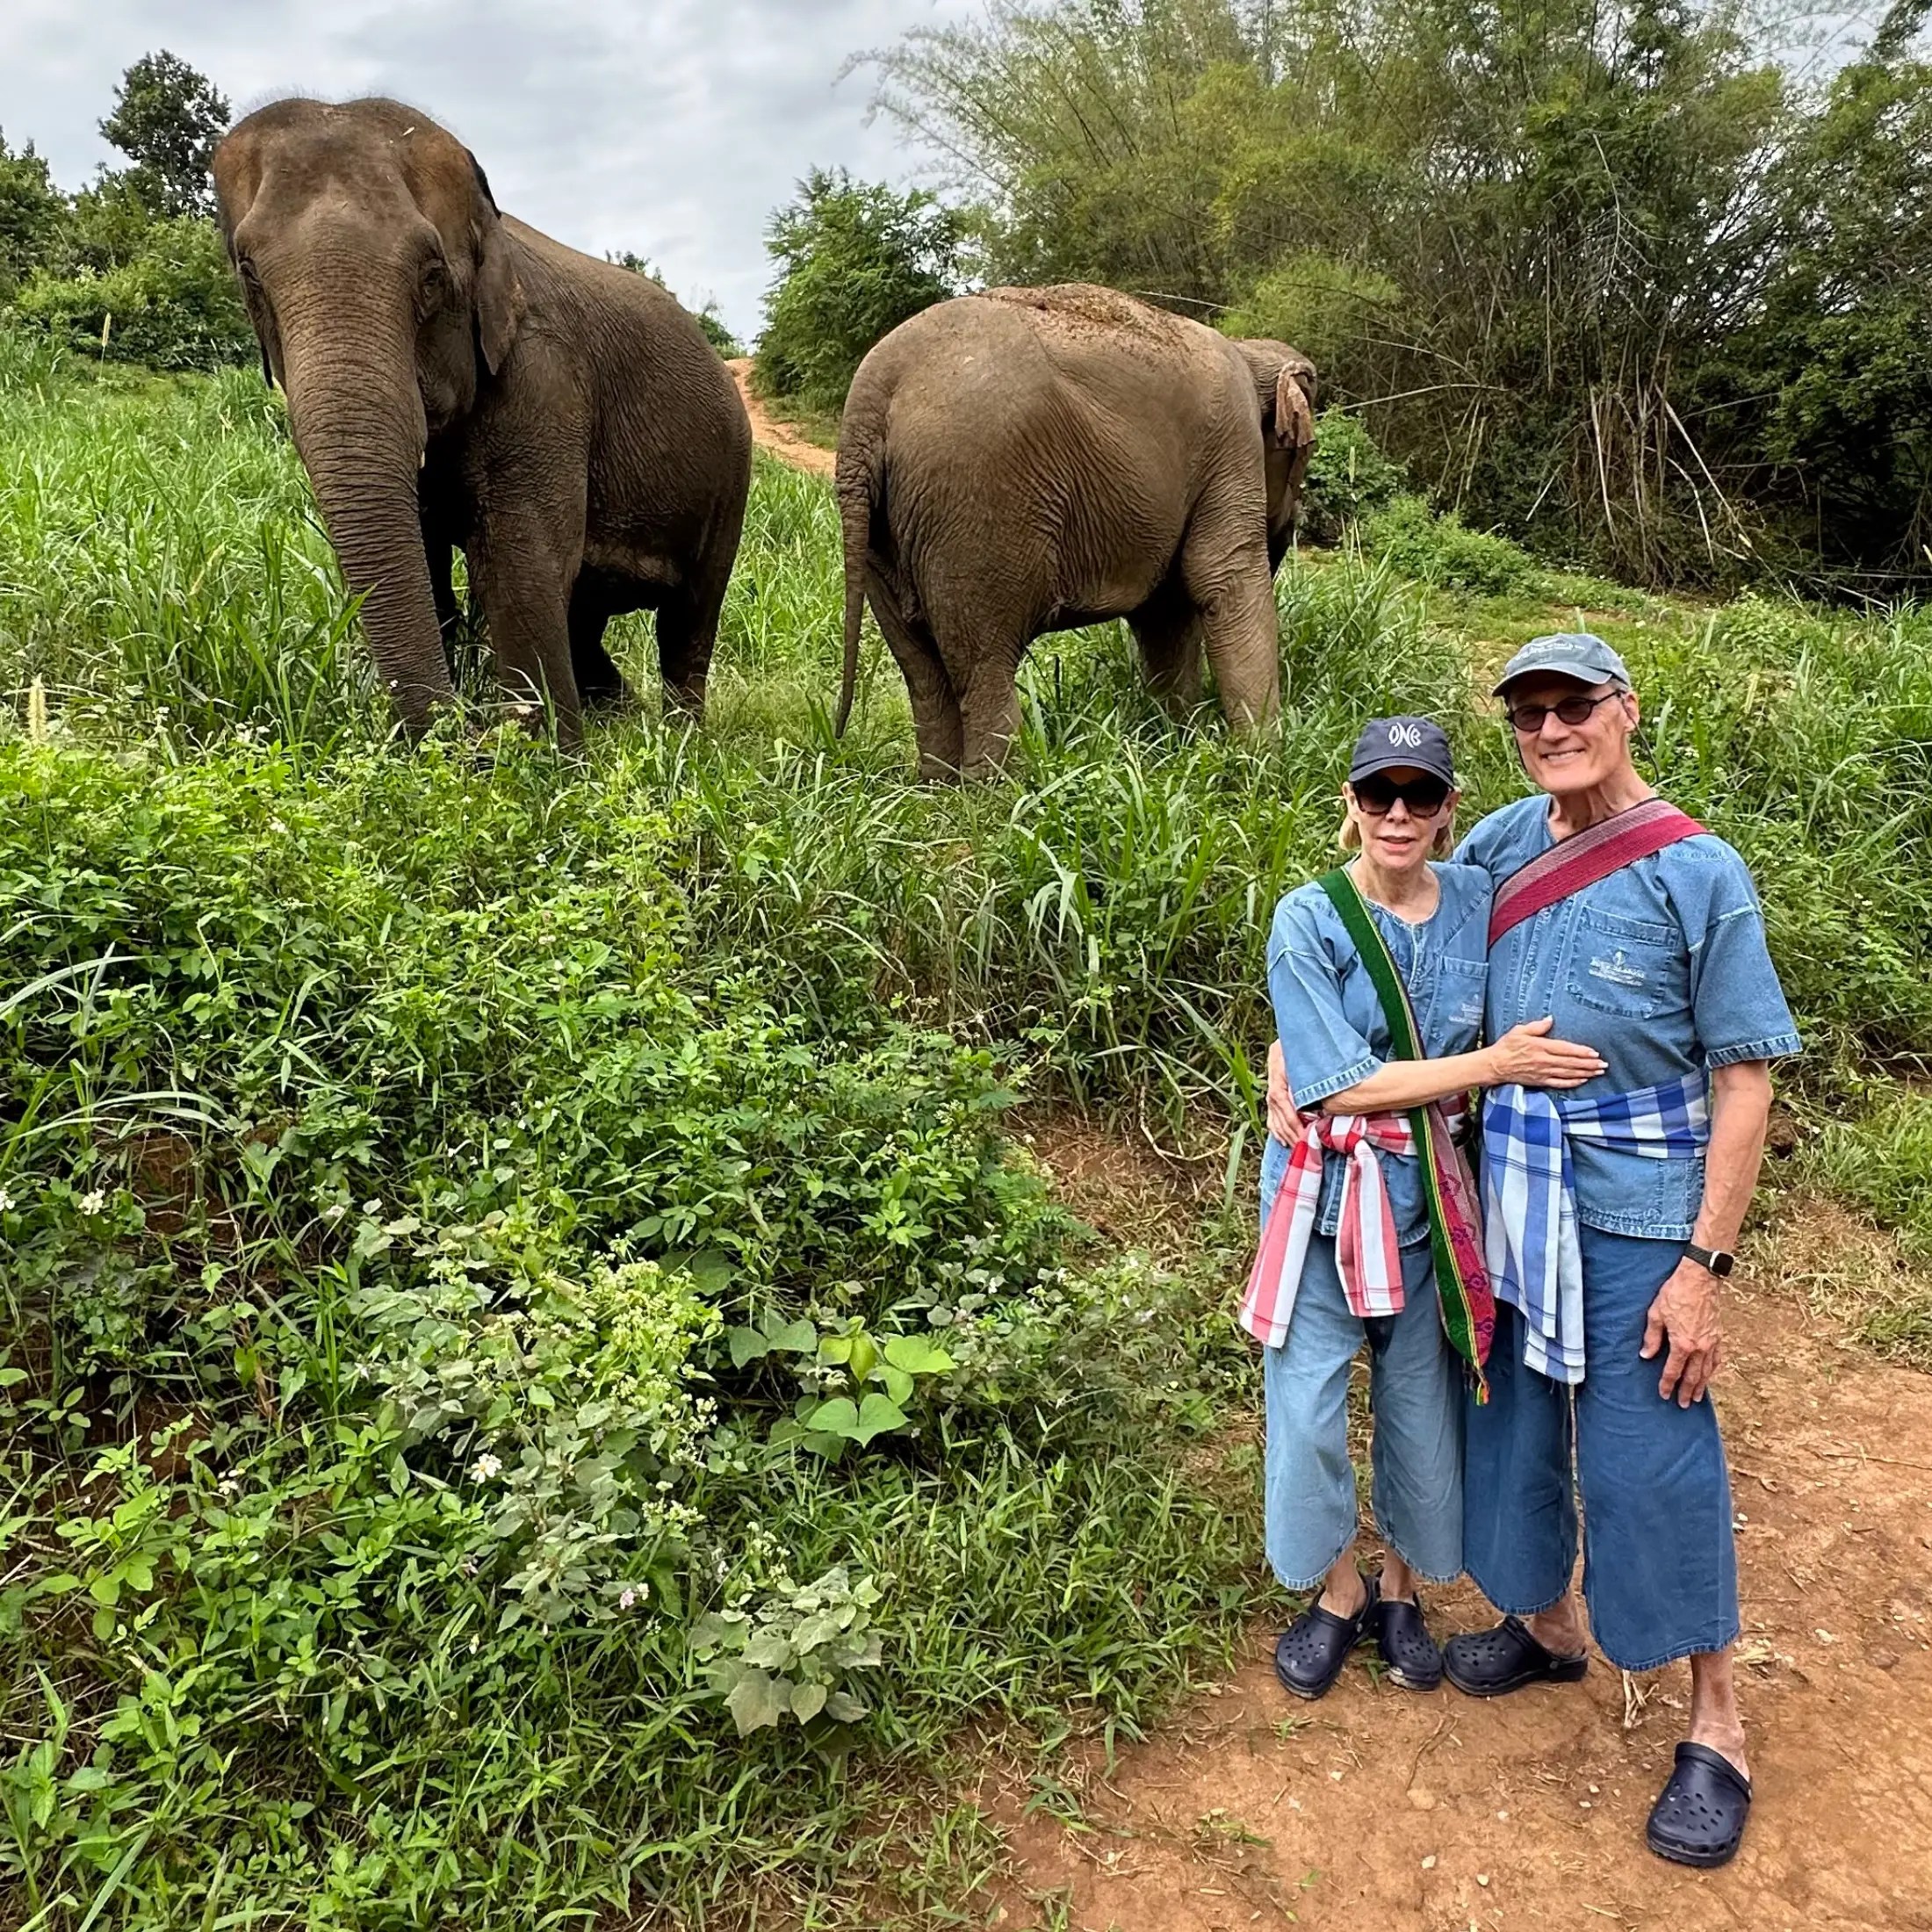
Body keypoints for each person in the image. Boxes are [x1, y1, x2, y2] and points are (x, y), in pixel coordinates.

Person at [1445, 632, 1801, 1870]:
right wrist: (1304, 1052)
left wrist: (1704, 1268)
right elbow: (1411, 955)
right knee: (1518, 1422)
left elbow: (1743, 1080)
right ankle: (1545, 1626)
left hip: (1643, 1213)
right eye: (1528, 713)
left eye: (1572, 705)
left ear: (1625, 709)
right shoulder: (1494, 845)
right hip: (1510, 1190)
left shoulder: (1699, 874)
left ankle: (1718, 1723)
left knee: (1653, 1456)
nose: (1551, 730)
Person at [1244, 717, 1603, 1701]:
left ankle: (1400, 1586)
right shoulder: (1305, 917)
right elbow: (1334, 1082)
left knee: (1422, 1402)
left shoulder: (1481, 901)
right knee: (1308, 1401)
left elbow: (1566, 825)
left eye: (1419, 795)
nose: (1396, 814)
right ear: (1349, 806)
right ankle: (1337, 1588)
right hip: (1324, 1190)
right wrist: (1489, 1065)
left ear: (1450, 813)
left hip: (1431, 1199)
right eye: (1376, 794)